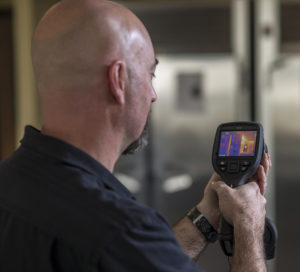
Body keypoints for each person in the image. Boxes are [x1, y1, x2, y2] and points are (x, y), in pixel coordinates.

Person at [0, 0, 271, 271]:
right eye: (150, 75)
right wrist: (248, 223)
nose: (153, 96)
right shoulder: (120, 229)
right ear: (117, 81)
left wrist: (207, 214)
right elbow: (127, 246)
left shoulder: (11, 183)